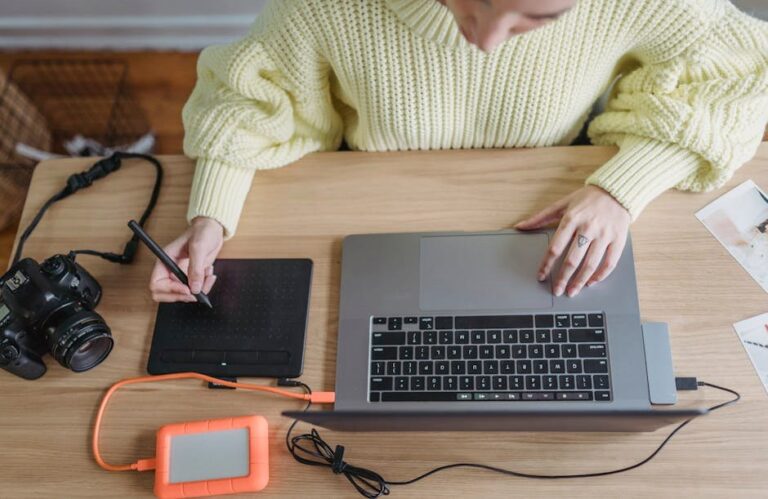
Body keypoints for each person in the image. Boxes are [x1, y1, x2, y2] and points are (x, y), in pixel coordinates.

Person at [149, 0, 768, 303]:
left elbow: (742, 79)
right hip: (367, 206)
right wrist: (211, 215)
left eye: (532, 17)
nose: (487, 41)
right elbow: (251, 98)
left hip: (547, 191)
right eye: (467, 3)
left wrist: (621, 188)